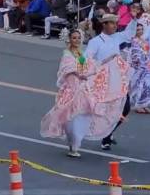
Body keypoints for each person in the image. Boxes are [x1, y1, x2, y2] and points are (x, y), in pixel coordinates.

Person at [40, 29, 131, 157]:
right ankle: (72, 144)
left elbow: (91, 66)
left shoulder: (81, 54)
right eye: (74, 38)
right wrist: (77, 74)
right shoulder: (67, 53)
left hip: (82, 89)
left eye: (78, 38)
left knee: (81, 117)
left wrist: (108, 60)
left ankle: (75, 145)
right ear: (69, 39)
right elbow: (66, 68)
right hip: (71, 90)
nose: (76, 40)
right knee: (70, 117)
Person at [84, 11, 138, 150]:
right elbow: (86, 59)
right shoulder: (95, 42)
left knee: (125, 108)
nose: (115, 26)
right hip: (102, 80)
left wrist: (134, 18)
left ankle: (108, 134)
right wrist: (102, 62)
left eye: (115, 23)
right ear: (104, 25)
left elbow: (129, 33)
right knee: (103, 109)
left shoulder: (116, 37)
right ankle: (98, 132)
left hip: (117, 78)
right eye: (112, 23)